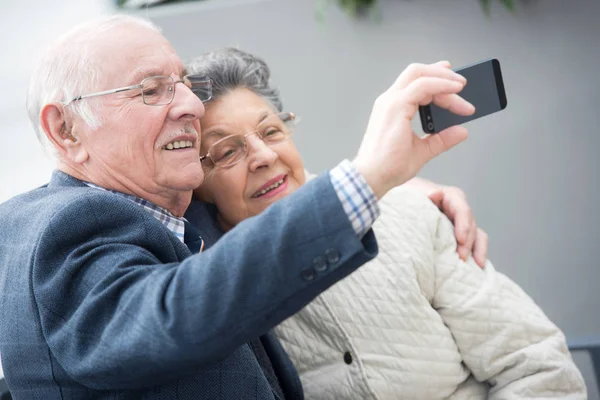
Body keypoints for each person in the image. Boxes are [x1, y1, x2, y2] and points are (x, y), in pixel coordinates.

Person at [0, 15, 481, 399]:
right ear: (65, 130)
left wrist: (395, 193)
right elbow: (177, 306)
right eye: (150, 90)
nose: (189, 104)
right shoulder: (61, 227)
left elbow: (246, 202)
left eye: (183, 83)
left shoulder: (163, 214)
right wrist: (366, 178)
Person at [187, 48, 587, 399]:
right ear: (195, 183)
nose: (262, 155)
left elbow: (536, 366)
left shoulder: (407, 211)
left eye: (271, 130)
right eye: (226, 152)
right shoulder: (205, 289)